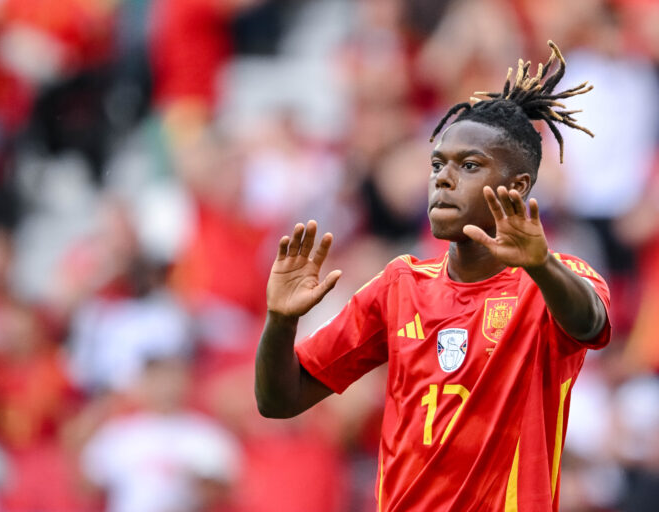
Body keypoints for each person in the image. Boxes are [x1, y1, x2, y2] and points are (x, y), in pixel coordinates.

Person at [255, 41, 611, 511]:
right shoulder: (399, 284)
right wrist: (279, 322)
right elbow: (280, 400)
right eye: (437, 164)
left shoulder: (552, 282)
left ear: (518, 186)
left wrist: (541, 265)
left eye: (468, 166)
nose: (442, 178)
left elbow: (591, 323)